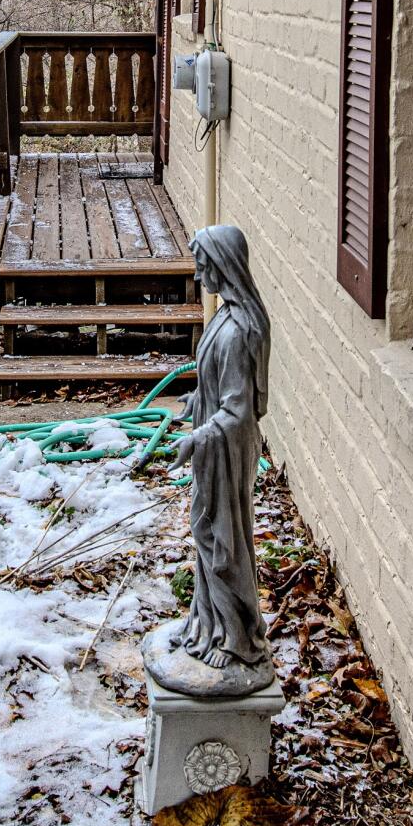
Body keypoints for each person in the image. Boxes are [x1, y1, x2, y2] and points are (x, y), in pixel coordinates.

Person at [146, 223, 273, 694]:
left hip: (227, 452)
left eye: (205, 264)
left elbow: (238, 410)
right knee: (206, 534)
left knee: (225, 541)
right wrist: (195, 399)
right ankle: (208, 623)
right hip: (213, 446)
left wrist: (197, 437)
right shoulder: (224, 315)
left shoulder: (239, 331)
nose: (199, 273)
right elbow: (216, 387)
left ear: (224, 265)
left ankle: (238, 639)